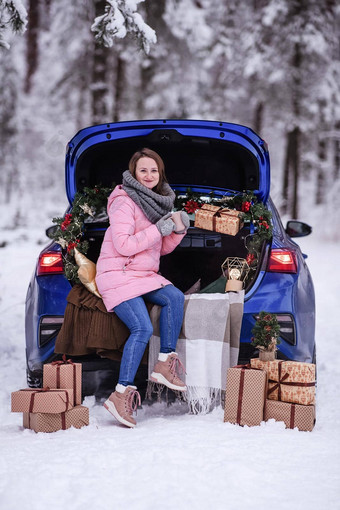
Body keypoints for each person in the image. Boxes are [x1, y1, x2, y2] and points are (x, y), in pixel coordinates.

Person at [95, 148, 190, 428]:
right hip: (117, 273)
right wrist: (158, 230)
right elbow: (124, 245)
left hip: (142, 273)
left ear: (160, 174)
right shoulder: (123, 201)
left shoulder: (159, 203)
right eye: (143, 171)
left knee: (173, 296)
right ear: (134, 174)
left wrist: (177, 230)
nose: (149, 176)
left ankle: (164, 362)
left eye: (154, 171)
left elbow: (159, 248)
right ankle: (120, 394)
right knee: (143, 328)